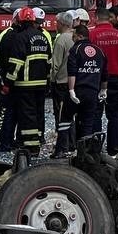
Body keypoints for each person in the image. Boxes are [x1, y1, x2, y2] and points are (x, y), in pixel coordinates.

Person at [0, 6, 51, 156]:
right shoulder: (43, 37)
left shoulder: (21, 38)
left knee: (27, 116)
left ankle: (30, 147)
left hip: (25, 84)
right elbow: (49, 62)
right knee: (38, 113)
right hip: (41, 84)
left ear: (20, 21)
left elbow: (16, 63)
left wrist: (8, 83)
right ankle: (37, 142)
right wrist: (48, 82)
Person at [90, 5, 118, 152]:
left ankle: (95, 149)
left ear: (96, 18)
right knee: (114, 115)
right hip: (116, 79)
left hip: (96, 79)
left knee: (95, 114)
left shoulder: (92, 35)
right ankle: (114, 147)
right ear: (109, 19)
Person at [63, 23, 104, 154]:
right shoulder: (99, 51)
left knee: (65, 120)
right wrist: (103, 90)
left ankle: (61, 149)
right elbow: (104, 73)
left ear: (80, 36)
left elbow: (72, 72)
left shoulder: (75, 50)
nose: (73, 39)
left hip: (78, 91)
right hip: (93, 92)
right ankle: (84, 153)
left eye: (74, 36)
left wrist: (71, 90)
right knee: (87, 123)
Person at [48, 10, 76, 145]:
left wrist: (51, 79)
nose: (55, 25)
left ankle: (63, 143)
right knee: (71, 114)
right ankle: (72, 142)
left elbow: (56, 64)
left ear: (62, 24)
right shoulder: (75, 37)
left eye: (56, 23)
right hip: (73, 81)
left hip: (61, 82)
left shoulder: (61, 40)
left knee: (61, 114)